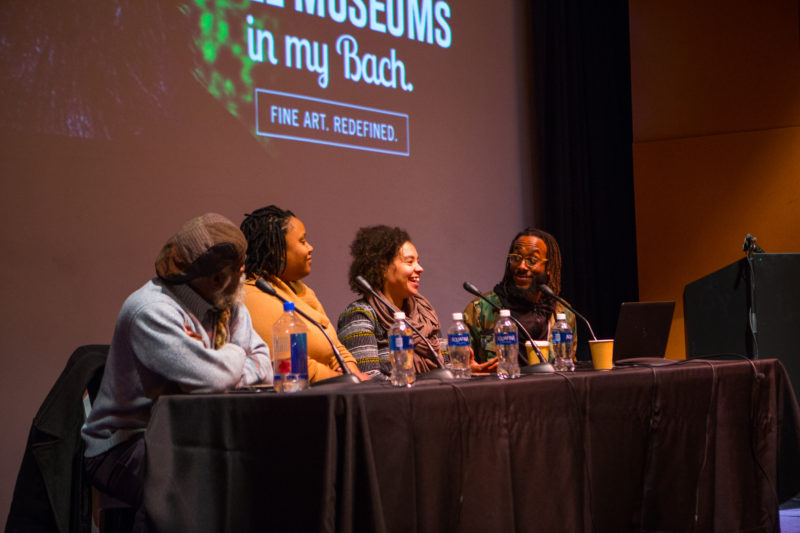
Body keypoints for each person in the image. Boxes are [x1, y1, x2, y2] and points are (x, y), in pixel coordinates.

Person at [82, 213, 272, 519]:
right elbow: (213, 377)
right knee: (211, 487)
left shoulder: (228, 303)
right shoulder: (152, 310)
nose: (245, 274)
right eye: (239, 269)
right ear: (216, 278)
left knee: (264, 465)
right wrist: (236, 352)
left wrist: (226, 371)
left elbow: (263, 364)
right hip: (126, 445)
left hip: (188, 433)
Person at [240, 205, 367, 382]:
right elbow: (288, 361)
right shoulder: (252, 295)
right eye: (302, 241)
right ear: (277, 251)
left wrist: (351, 372)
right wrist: (340, 377)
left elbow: (335, 346)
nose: (310, 247)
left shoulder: (301, 290)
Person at [337, 225, 443, 379]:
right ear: (383, 268)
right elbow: (369, 380)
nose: (420, 268)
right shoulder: (359, 315)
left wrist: (465, 368)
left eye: (418, 261)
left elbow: (445, 369)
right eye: (409, 262)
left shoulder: (425, 313)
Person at [463, 227, 577, 366]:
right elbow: (461, 365)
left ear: (549, 267)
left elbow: (570, 366)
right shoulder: (480, 310)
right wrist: (472, 370)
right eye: (516, 258)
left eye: (532, 260)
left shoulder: (564, 314)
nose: (522, 266)